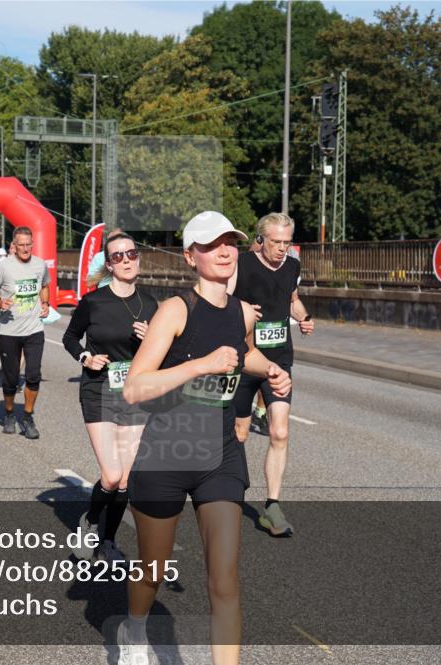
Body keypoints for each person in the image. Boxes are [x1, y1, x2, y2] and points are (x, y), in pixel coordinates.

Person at [120, 211, 291, 665]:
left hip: (220, 455)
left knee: (225, 580)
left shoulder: (240, 312)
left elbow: (243, 352)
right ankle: (133, 627)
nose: (224, 251)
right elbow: (135, 387)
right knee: (152, 571)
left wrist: (270, 368)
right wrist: (200, 365)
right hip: (165, 456)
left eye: (230, 242)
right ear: (189, 256)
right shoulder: (175, 310)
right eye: (212, 244)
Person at [62, 232, 158, 564]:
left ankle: (108, 542)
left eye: (131, 253)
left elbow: (164, 354)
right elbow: (70, 337)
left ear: (139, 258)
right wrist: (85, 358)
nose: (126, 260)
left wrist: (152, 340)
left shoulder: (151, 304)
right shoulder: (94, 302)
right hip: (98, 389)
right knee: (112, 475)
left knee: (126, 479)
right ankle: (88, 522)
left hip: (135, 392)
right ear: (109, 265)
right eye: (117, 256)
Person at [228, 212, 314, 537]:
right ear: (261, 239)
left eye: (287, 242)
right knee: (239, 433)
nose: (281, 249)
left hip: (279, 361)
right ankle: (230, 496)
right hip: (244, 360)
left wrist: (304, 317)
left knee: (279, 432)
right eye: (276, 242)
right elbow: (221, 302)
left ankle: (272, 506)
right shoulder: (242, 265)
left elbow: (292, 301)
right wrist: (242, 314)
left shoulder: (292, 266)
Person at [0, 226, 50, 439]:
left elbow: (45, 285)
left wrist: (46, 303)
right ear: (14, 245)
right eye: (20, 244)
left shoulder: (40, 265)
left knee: (33, 375)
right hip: (9, 331)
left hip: (34, 330)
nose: (24, 248)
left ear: (32, 244)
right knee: (11, 378)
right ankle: (10, 413)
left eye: (28, 244)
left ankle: (28, 416)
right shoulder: (4, 267)